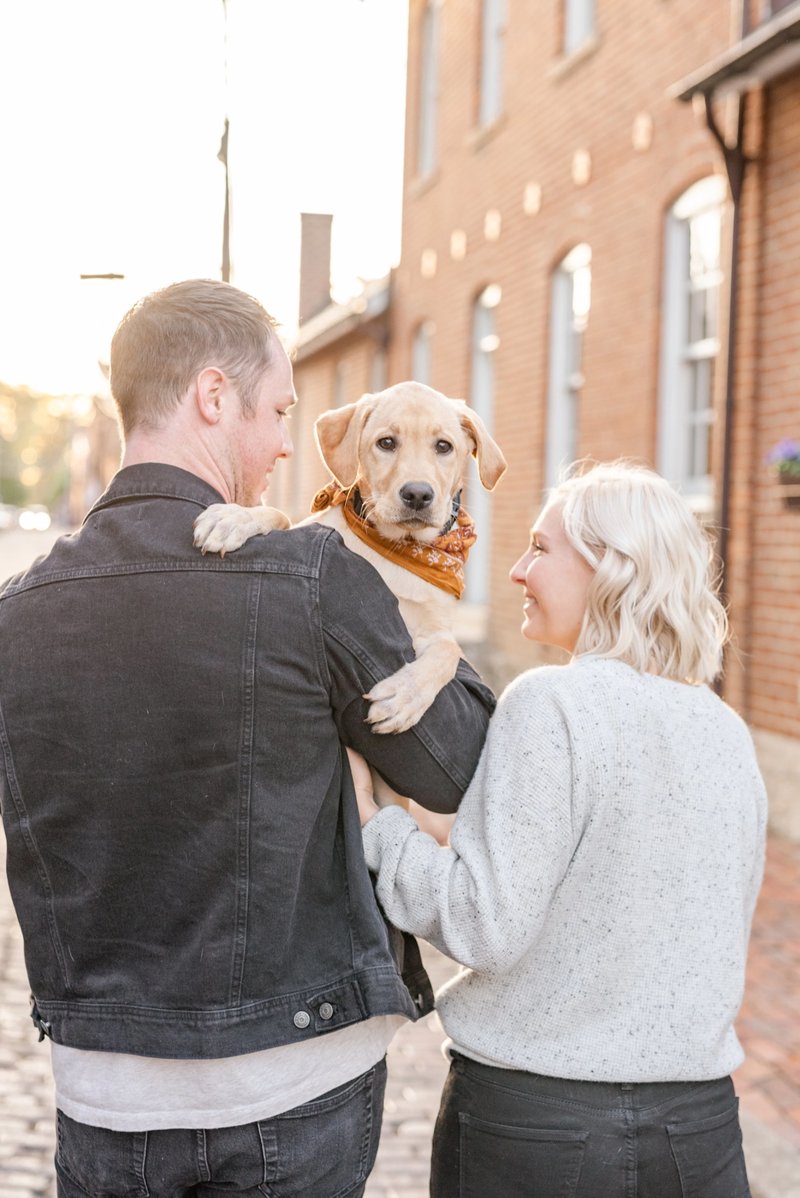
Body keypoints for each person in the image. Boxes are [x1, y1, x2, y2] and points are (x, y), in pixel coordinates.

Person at [0, 279, 495, 1198]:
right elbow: (459, 764)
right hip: (297, 1084)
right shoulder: (316, 573)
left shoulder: (13, 616)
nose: (284, 442)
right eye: (277, 411)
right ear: (214, 396)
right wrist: (444, 659)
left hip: (107, 1098)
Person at [351, 461, 766, 1198]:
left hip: (538, 1129)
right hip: (700, 1134)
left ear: (613, 568)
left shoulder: (552, 703)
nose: (515, 569)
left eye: (541, 549)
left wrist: (377, 827)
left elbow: (483, 924)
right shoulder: (727, 731)